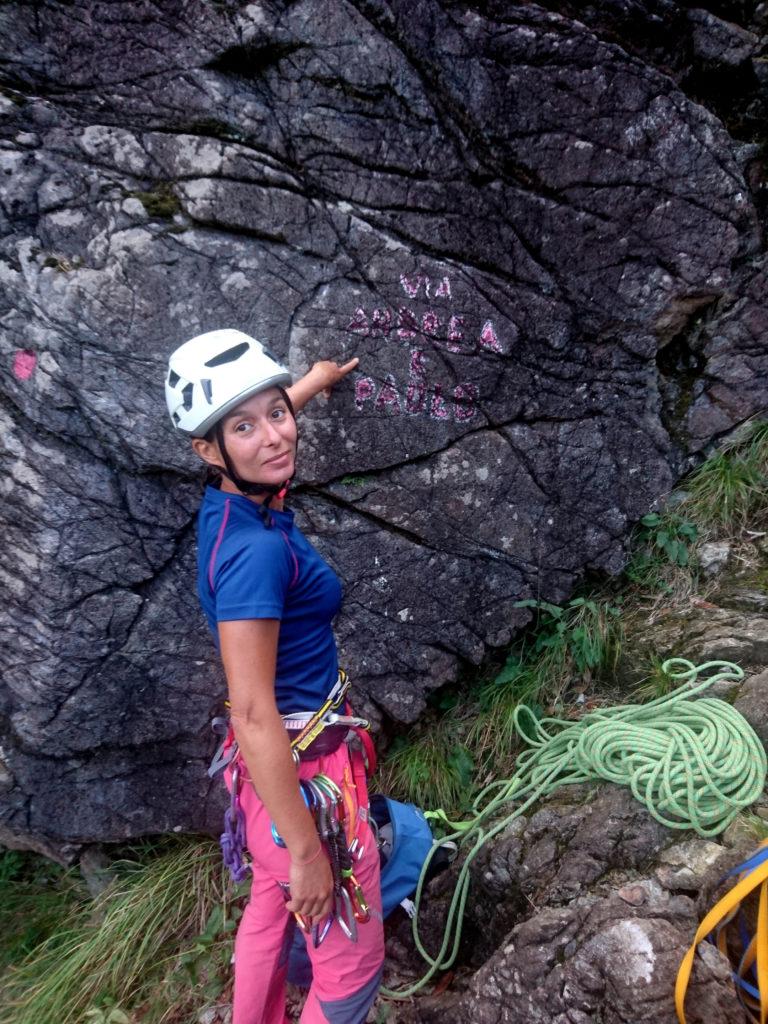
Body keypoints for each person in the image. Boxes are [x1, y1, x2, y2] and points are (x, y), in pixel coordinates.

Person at [165, 328, 384, 1024]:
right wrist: (311, 853)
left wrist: (313, 381)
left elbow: (260, 422)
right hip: (306, 785)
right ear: (209, 449)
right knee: (351, 976)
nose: (275, 436)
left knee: (267, 911)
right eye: (245, 427)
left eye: (277, 414)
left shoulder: (229, 507)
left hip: (263, 789)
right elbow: (253, 713)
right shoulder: (255, 555)